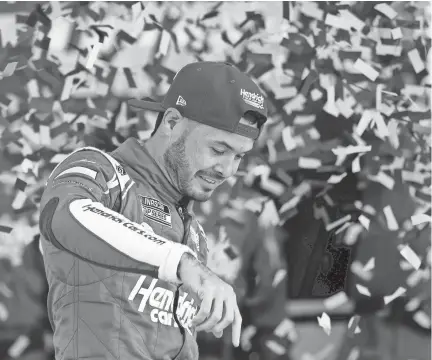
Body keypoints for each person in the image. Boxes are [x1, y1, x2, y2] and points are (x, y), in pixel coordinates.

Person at [38, 61, 268, 360]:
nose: (227, 170)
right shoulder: (104, 172)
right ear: (172, 122)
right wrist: (180, 262)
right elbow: (62, 215)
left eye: (239, 156)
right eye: (219, 150)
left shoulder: (194, 234)